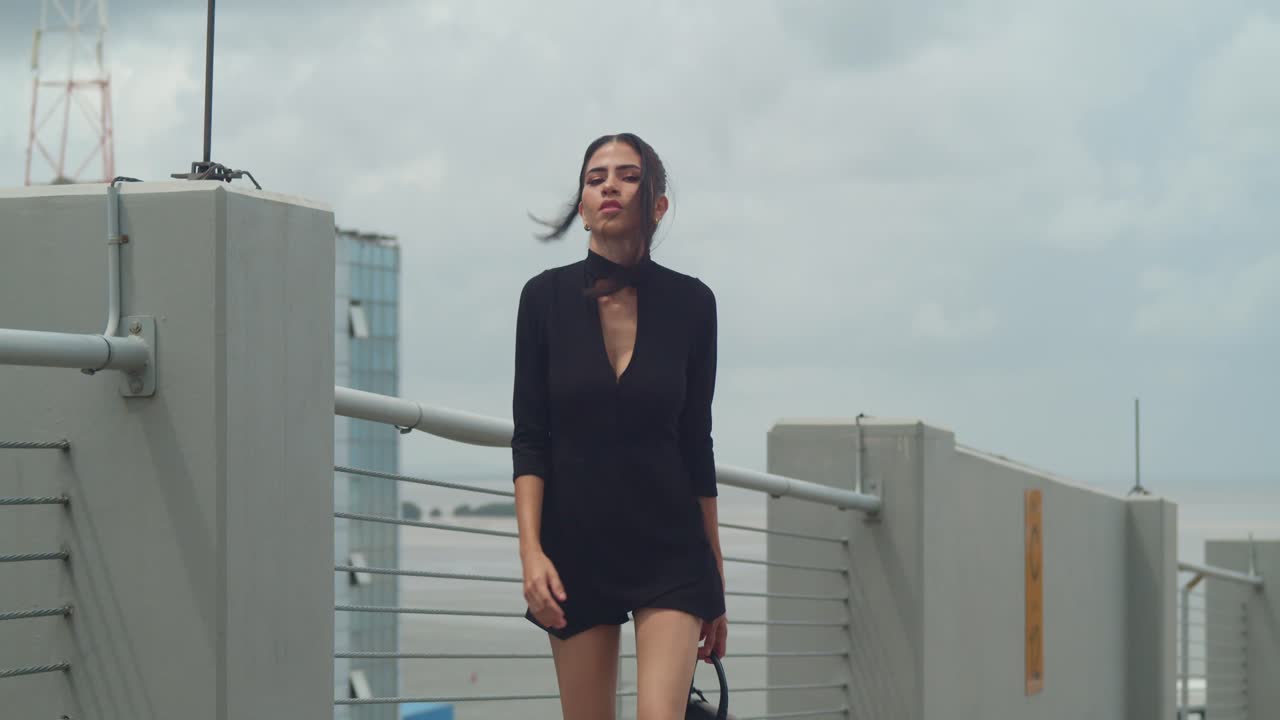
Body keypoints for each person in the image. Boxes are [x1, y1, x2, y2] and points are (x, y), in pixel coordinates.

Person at [512, 132, 729, 720]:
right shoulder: (542, 301)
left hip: (670, 550)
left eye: (629, 175)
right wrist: (531, 554)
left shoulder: (694, 305)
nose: (609, 184)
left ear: (657, 204)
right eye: (595, 177)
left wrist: (715, 577)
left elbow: (695, 444)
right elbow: (530, 439)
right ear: (582, 206)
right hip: (574, 546)